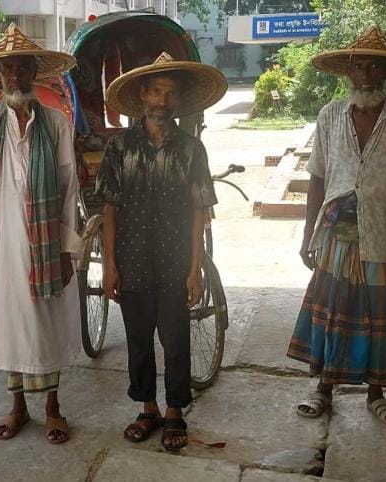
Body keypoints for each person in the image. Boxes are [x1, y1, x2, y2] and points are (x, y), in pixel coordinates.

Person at [287, 26, 386, 426]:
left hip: (381, 233)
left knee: (375, 315)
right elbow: (317, 177)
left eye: (374, 66)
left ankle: (377, 393)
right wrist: (306, 234)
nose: (365, 74)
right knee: (331, 312)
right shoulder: (330, 116)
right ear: (348, 72)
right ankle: (323, 388)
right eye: (358, 66)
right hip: (334, 234)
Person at [0, 23, 81, 444]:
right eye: (8, 69)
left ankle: (52, 407)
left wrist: (67, 248)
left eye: (23, 68)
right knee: (10, 324)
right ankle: (17, 407)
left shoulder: (55, 123)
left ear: (34, 74)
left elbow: (69, 188)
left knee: (46, 322)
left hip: (46, 242)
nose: (15, 76)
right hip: (4, 243)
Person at [98, 52, 226, 452]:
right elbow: (109, 209)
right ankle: (147, 408)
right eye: (156, 91)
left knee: (175, 339)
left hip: (174, 262)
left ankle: (174, 411)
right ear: (142, 95)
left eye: (170, 94)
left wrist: (195, 268)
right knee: (138, 338)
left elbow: (198, 211)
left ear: (178, 101)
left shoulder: (192, 150)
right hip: (131, 260)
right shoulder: (119, 148)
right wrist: (109, 266)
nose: (162, 101)